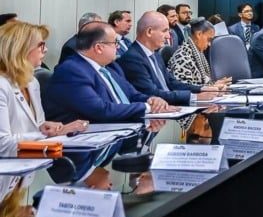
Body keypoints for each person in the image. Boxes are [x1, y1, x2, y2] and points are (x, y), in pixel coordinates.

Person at [43, 22, 176, 123]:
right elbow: (100, 110)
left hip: (119, 128)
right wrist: (147, 107)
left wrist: (151, 100)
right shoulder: (72, 71)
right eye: (114, 43)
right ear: (99, 48)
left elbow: (131, 94)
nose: (118, 47)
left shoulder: (111, 67)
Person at [0, 21, 89, 157]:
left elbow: (36, 125)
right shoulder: (2, 85)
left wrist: (46, 127)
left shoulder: (32, 82)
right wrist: (49, 134)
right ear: (21, 49)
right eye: (41, 45)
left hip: (27, 166)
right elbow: (2, 144)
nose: (46, 50)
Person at [120, 11, 223, 106]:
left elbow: (171, 82)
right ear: (149, 32)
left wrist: (202, 89)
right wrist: (195, 97)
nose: (168, 37)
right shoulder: (133, 59)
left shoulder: (155, 54)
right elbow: (154, 94)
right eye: (164, 31)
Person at [167, 19, 232, 89]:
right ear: (199, 34)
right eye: (209, 39)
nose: (209, 44)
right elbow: (184, 89)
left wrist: (214, 84)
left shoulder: (197, 51)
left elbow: (202, 83)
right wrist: (211, 87)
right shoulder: (182, 57)